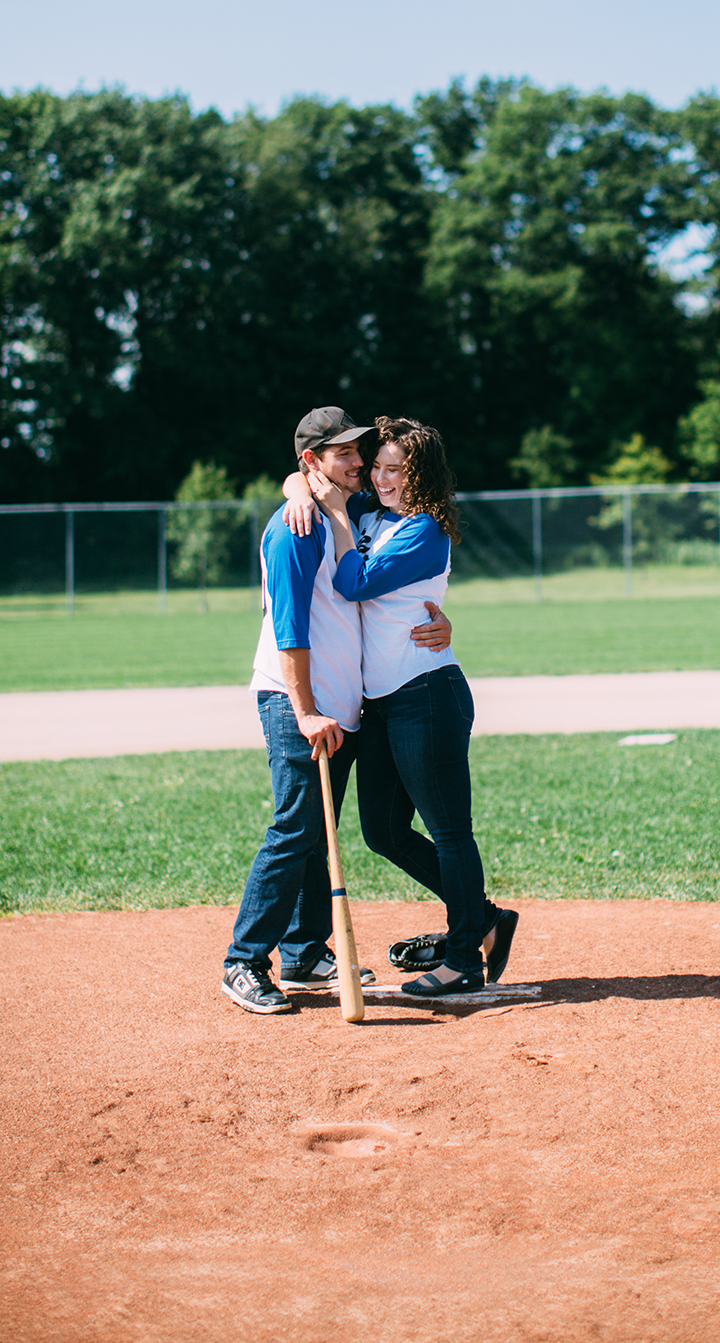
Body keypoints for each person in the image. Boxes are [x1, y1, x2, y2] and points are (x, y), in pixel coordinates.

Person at [221, 406, 452, 1016]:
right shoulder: (296, 527)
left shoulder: (343, 512)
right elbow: (289, 630)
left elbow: (389, 585)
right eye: (344, 455)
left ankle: (303, 950)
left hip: (342, 706)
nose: (357, 464)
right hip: (302, 700)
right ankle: (244, 961)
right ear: (313, 463)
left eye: (360, 452)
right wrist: (304, 711)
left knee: (319, 834)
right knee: (296, 827)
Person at [290, 416, 518, 996]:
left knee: (448, 831)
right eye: (381, 468)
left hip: (427, 695)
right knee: (384, 831)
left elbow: (355, 582)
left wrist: (339, 519)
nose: (384, 479)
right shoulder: (371, 513)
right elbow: (315, 483)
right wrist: (298, 488)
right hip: (382, 705)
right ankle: (485, 917)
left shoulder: (426, 530)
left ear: (423, 476)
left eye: (399, 470)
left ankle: (464, 956)